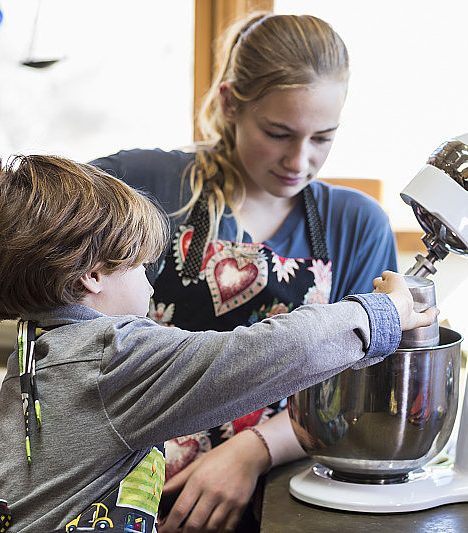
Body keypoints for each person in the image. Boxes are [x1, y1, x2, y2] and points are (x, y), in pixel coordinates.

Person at [0, 154, 435, 533]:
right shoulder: (110, 358)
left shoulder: (37, 349)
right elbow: (271, 353)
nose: (150, 285)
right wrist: (385, 311)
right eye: (141, 266)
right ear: (93, 275)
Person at [86, 12, 399, 533]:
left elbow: (362, 387)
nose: (300, 160)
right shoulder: (149, 183)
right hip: (121, 492)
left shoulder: (356, 224)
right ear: (231, 103)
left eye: (323, 137)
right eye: (278, 133)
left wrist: (251, 452)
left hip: (280, 497)